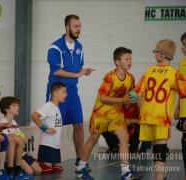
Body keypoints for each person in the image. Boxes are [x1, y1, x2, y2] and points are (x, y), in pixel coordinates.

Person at [76, 47, 138, 180]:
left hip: (116, 113)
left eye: (130, 59)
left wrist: (131, 100)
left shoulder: (131, 78)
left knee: (124, 138)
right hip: (101, 113)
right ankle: (80, 169)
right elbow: (102, 98)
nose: (130, 61)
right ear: (117, 62)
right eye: (126, 59)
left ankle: (125, 172)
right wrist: (123, 100)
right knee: (93, 139)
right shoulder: (109, 77)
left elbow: (128, 97)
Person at [46, 14, 94, 168]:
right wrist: (78, 74)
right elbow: (56, 71)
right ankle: (52, 160)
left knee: (79, 125)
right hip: (57, 93)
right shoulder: (55, 47)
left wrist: (84, 71)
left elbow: (79, 68)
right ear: (67, 27)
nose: (79, 29)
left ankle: (80, 161)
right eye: (75, 26)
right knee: (55, 126)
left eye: (80, 26)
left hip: (72, 92)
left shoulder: (80, 47)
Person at [135, 39, 186, 180]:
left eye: (155, 51)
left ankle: (161, 176)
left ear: (162, 54)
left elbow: (137, 93)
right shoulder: (174, 73)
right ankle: (159, 177)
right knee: (160, 148)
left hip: (147, 116)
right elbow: (184, 93)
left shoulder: (149, 70)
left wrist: (141, 111)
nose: (154, 54)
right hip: (161, 117)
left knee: (155, 148)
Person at [31, 82, 67, 173]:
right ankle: (31, 162)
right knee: (46, 170)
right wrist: (45, 128)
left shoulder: (56, 108)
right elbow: (34, 116)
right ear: (55, 92)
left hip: (56, 146)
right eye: (64, 92)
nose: (66, 94)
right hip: (47, 145)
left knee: (57, 169)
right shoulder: (48, 106)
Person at [0, 96, 33, 179]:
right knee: (30, 171)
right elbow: (9, 142)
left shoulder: (14, 122)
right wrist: (21, 139)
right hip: (10, 155)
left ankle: (17, 168)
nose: (18, 107)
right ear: (6, 109)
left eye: (18, 105)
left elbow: (22, 139)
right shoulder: (2, 123)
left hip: (20, 153)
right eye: (14, 105)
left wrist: (22, 139)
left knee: (37, 170)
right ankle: (12, 169)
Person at [174, 32, 186, 180]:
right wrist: (177, 107)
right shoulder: (182, 62)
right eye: (183, 45)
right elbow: (181, 88)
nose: (183, 48)